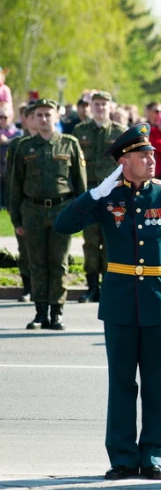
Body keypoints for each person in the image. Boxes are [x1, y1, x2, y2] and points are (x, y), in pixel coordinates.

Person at [54, 123, 161, 481]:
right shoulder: (108, 196)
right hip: (119, 302)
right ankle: (121, 455)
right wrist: (94, 194)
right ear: (123, 161)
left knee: (158, 384)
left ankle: (153, 455)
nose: (151, 159)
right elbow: (63, 224)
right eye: (142, 155)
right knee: (121, 383)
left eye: (151, 153)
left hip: (160, 300)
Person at [10, 99, 86, 330]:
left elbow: (80, 183)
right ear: (33, 118)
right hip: (32, 212)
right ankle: (40, 312)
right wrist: (16, 219)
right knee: (37, 264)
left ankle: (57, 312)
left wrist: (80, 214)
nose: (43, 119)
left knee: (59, 263)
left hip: (61, 210)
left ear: (57, 117)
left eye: (48, 114)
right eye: (39, 115)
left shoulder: (69, 144)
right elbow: (15, 185)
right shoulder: (24, 147)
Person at [73, 91, 127, 303]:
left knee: (110, 240)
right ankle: (91, 286)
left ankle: (108, 285)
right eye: (96, 104)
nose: (100, 107)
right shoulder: (80, 130)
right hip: (89, 195)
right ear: (90, 106)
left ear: (110, 106)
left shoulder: (120, 132)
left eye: (104, 104)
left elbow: (126, 165)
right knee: (90, 242)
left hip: (113, 196)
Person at [6, 104, 36, 306]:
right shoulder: (17, 144)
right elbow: (12, 180)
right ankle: (28, 288)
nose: (35, 120)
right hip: (25, 205)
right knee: (25, 250)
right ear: (25, 119)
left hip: (50, 206)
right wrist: (13, 208)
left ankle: (45, 292)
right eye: (30, 116)